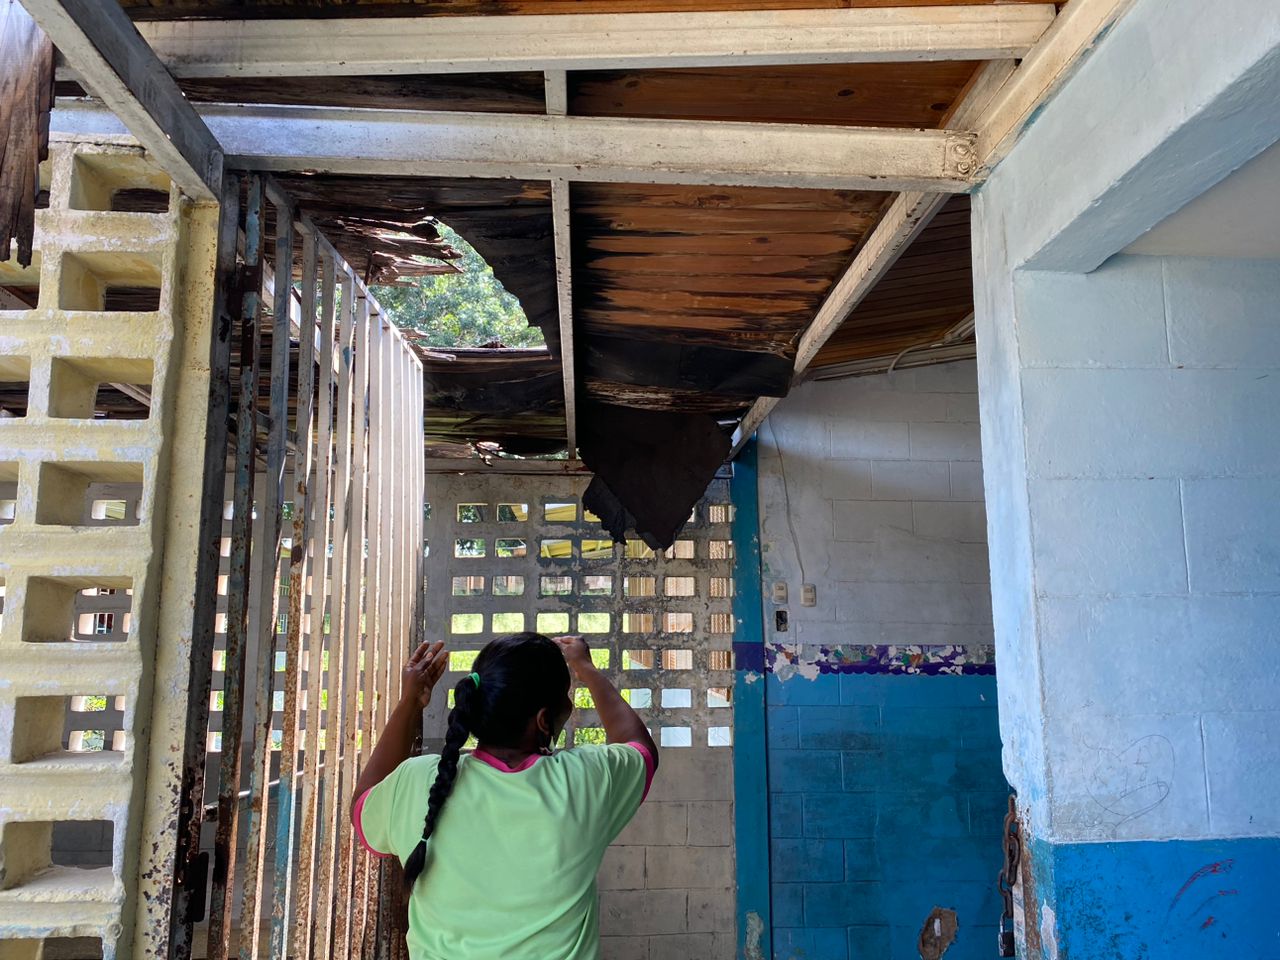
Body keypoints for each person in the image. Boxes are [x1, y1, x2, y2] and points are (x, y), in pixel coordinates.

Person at [351, 632, 659, 960]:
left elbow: (362, 805)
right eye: (565, 697)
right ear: (543, 719)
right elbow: (640, 748)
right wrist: (586, 669)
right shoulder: (583, 781)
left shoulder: (418, 781)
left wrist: (409, 703)